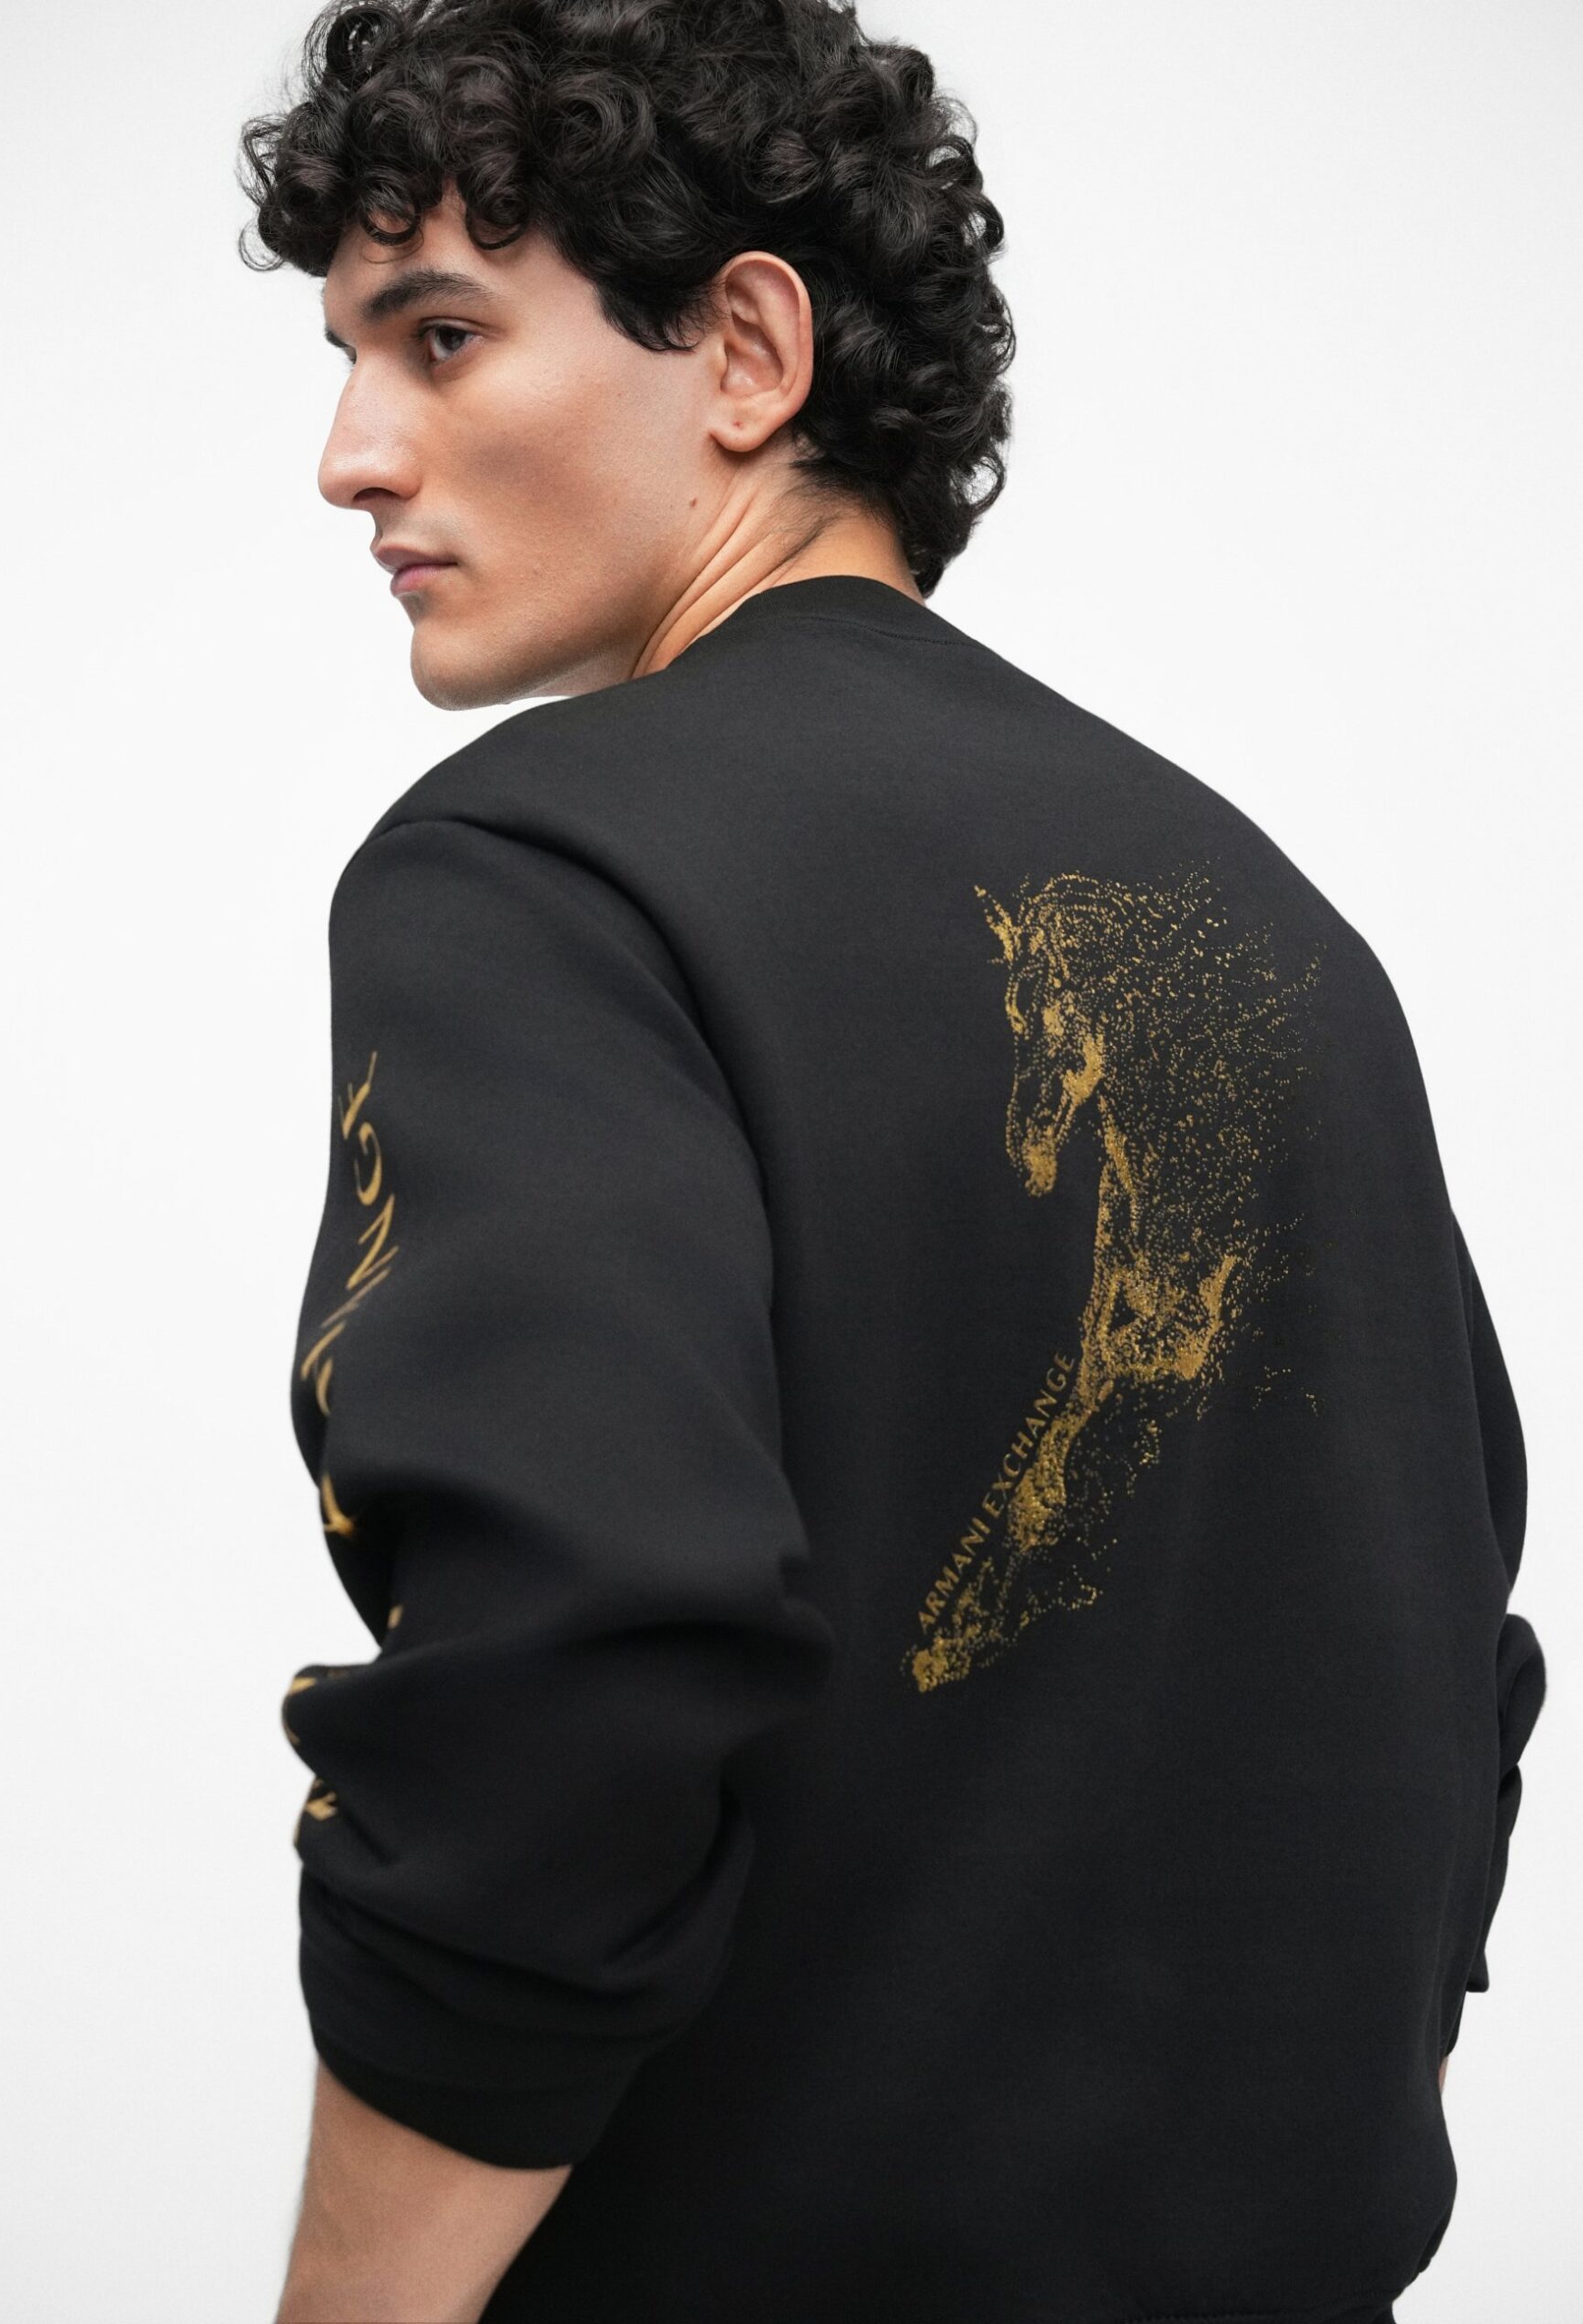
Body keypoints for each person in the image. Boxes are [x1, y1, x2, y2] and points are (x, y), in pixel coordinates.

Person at [236, 5, 1548, 2319]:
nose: (352, 454)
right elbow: (1442, 1648)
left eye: (439, 336)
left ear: (747, 350)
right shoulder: (1265, 921)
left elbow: (565, 1674)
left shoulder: (541, 874)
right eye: (347, 357)